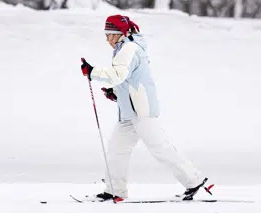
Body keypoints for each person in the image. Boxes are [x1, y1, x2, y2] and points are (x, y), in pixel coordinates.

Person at [80, 13, 210, 202]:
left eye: (110, 34)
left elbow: (118, 73)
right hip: (129, 112)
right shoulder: (123, 48)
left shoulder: (129, 48)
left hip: (141, 111)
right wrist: (115, 93)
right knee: (117, 150)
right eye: (106, 34)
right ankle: (115, 190)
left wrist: (93, 72)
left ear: (120, 33)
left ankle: (194, 180)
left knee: (160, 148)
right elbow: (128, 78)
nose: (107, 39)